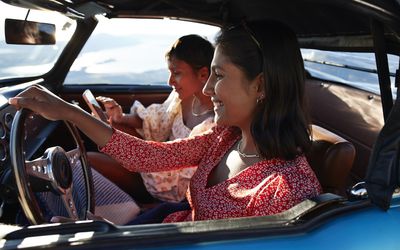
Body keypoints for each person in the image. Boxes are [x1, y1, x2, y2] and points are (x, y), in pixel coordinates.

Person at [9, 20, 322, 224]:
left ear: (261, 86)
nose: (209, 86)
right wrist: (69, 112)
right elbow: (149, 156)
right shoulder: (224, 137)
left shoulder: (286, 191)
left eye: (220, 75)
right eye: (210, 72)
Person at [88, 34, 215, 205]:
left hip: (165, 184)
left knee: (89, 160)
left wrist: (136, 160)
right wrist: (120, 117)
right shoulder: (183, 98)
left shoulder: (213, 123)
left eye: (176, 73)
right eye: (170, 72)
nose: (170, 81)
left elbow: (182, 183)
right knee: (113, 127)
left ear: (203, 74)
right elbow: (156, 120)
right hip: (152, 164)